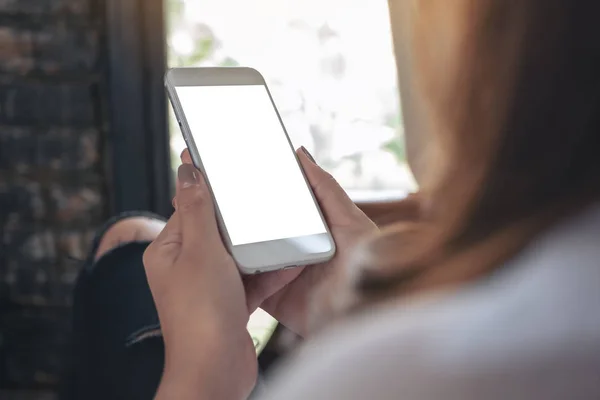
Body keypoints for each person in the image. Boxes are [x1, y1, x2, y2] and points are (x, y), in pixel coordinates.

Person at [66, 0, 600, 399]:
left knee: (127, 242)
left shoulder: (398, 374)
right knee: (134, 236)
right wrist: (360, 303)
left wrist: (204, 368)